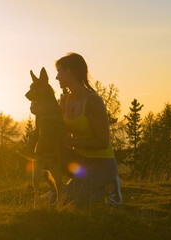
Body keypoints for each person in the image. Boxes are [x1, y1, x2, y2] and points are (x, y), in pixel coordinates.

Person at [55, 52, 122, 206]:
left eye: (59, 71)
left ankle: (109, 185)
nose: (56, 77)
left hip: (102, 163)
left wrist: (71, 142)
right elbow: (60, 134)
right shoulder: (65, 100)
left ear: (69, 72)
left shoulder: (93, 101)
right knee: (53, 152)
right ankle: (74, 187)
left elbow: (103, 142)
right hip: (82, 161)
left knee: (68, 202)